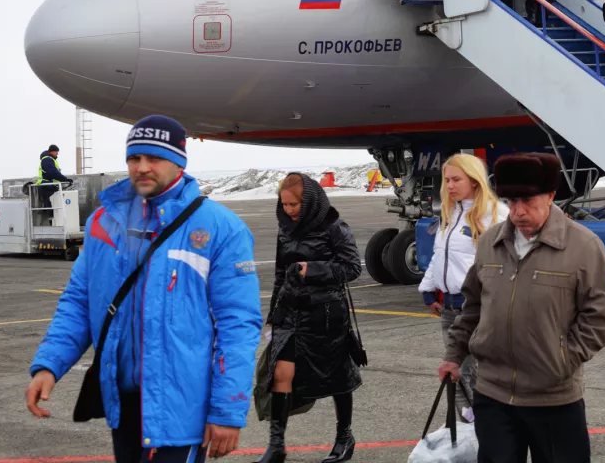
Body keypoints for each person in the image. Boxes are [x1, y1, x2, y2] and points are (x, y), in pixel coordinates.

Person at [26, 115, 262, 462]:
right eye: (134, 158)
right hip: (123, 405)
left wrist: (227, 410)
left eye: (155, 158)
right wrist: (49, 365)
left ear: (179, 162)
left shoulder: (221, 227)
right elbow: (79, 301)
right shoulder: (103, 222)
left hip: (181, 408)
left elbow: (238, 324)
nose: (142, 167)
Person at [439, 152, 605, 463]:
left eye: (528, 201)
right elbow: (473, 308)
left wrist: (561, 360)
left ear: (550, 196)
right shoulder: (490, 243)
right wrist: (454, 356)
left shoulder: (584, 246)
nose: (519, 212)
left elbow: (601, 317)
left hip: (553, 398)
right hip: (493, 394)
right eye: (511, 202)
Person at [258, 173, 363, 463]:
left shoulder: (335, 227)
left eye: (294, 204)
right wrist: (274, 314)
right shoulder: (285, 229)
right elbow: (281, 273)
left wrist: (312, 270)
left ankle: (344, 437)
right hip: (291, 313)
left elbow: (352, 268)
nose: (289, 210)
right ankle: (276, 445)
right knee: (281, 373)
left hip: (325, 315)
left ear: (309, 202)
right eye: (285, 204)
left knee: (337, 376)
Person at [418, 154, 509, 424]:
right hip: (449, 308)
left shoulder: (495, 214)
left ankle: (487, 428)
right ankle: (477, 429)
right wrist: (428, 290)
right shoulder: (452, 213)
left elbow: (506, 264)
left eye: (456, 179)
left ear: (474, 180)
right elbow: (440, 255)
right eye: (446, 180)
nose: (449, 186)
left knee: (465, 373)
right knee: (456, 374)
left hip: (476, 308)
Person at [35, 144, 74, 223]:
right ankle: (52, 221)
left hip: (47, 185)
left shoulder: (48, 159)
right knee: (51, 204)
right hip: (46, 185)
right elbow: (53, 173)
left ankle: (52, 220)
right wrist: (65, 179)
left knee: (50, 204)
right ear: (52, 151)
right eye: (56, 152)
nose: (57, 154)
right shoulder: (47, 160)